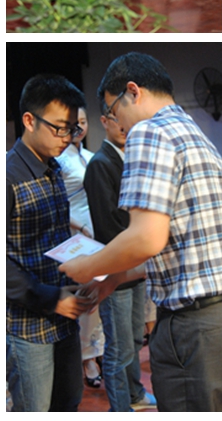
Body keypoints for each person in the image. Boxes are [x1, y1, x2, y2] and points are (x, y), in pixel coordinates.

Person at [59, 52, 222, 412]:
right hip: (216, 316)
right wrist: (116, 277)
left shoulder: (149, 131)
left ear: (133, 91)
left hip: (190, 324)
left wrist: (88, 267)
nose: (118, 123)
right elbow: (182, 244)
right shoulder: (192, 131)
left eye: (114, 111)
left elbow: (146, 238)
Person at [6, 74, 94, 412]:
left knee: (68, 403)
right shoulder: (9, 177)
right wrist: (50, 298)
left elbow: (54, 237)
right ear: (29, 121)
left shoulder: (54, 167)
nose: (67, 138)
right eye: (59, 128)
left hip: (64, 313)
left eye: (72, 129)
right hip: (28, 324)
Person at [83, 103, 157, 411]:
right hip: (118, 267)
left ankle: (135, 393)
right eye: (117, 120)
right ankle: (120, 408)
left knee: (135, 339)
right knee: (119, 346)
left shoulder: (130, 156)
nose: (125, 126)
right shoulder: (100, 163)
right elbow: (107, 224)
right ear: (105, 121)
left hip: (136, 264)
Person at [56, 107, 104, 389]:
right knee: (84, 291)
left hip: (95, 227)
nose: (80, 127)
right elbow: (59, 200)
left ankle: (97, 350)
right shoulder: (59, 160)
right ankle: (87, 358)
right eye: (75, 123)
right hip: (74, 230)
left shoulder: (90, 155)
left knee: (99, 291)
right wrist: (80, 226)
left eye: (84, 122)